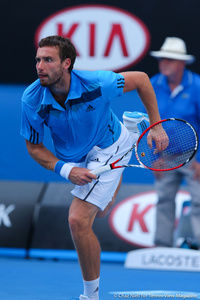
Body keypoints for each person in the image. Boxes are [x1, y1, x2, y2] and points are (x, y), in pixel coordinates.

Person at [20, 35, 168, 300]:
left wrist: (156, 125)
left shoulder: (98, 83)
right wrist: (66, 169)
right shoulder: (32, 99)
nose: (40, 66)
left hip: (107, 147)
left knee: (78, 220)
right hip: (75, 156)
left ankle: (90, 296)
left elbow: (143, 80)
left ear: (66, 64)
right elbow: (34, 147)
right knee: (99, 214)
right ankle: (133, 134)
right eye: (38, 60)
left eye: (48, 60)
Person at [149, 37, 200, 249]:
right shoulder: (153, 84)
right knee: (163, 200)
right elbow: (148, 125)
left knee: (199, 200)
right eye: (162, 59)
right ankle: (161, 247)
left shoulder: (197, 86)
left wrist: (199, 160)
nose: (164, 63)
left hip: (193, 156)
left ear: (181, 63)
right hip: (164, 157)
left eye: (170, 60)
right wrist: (154, 158)